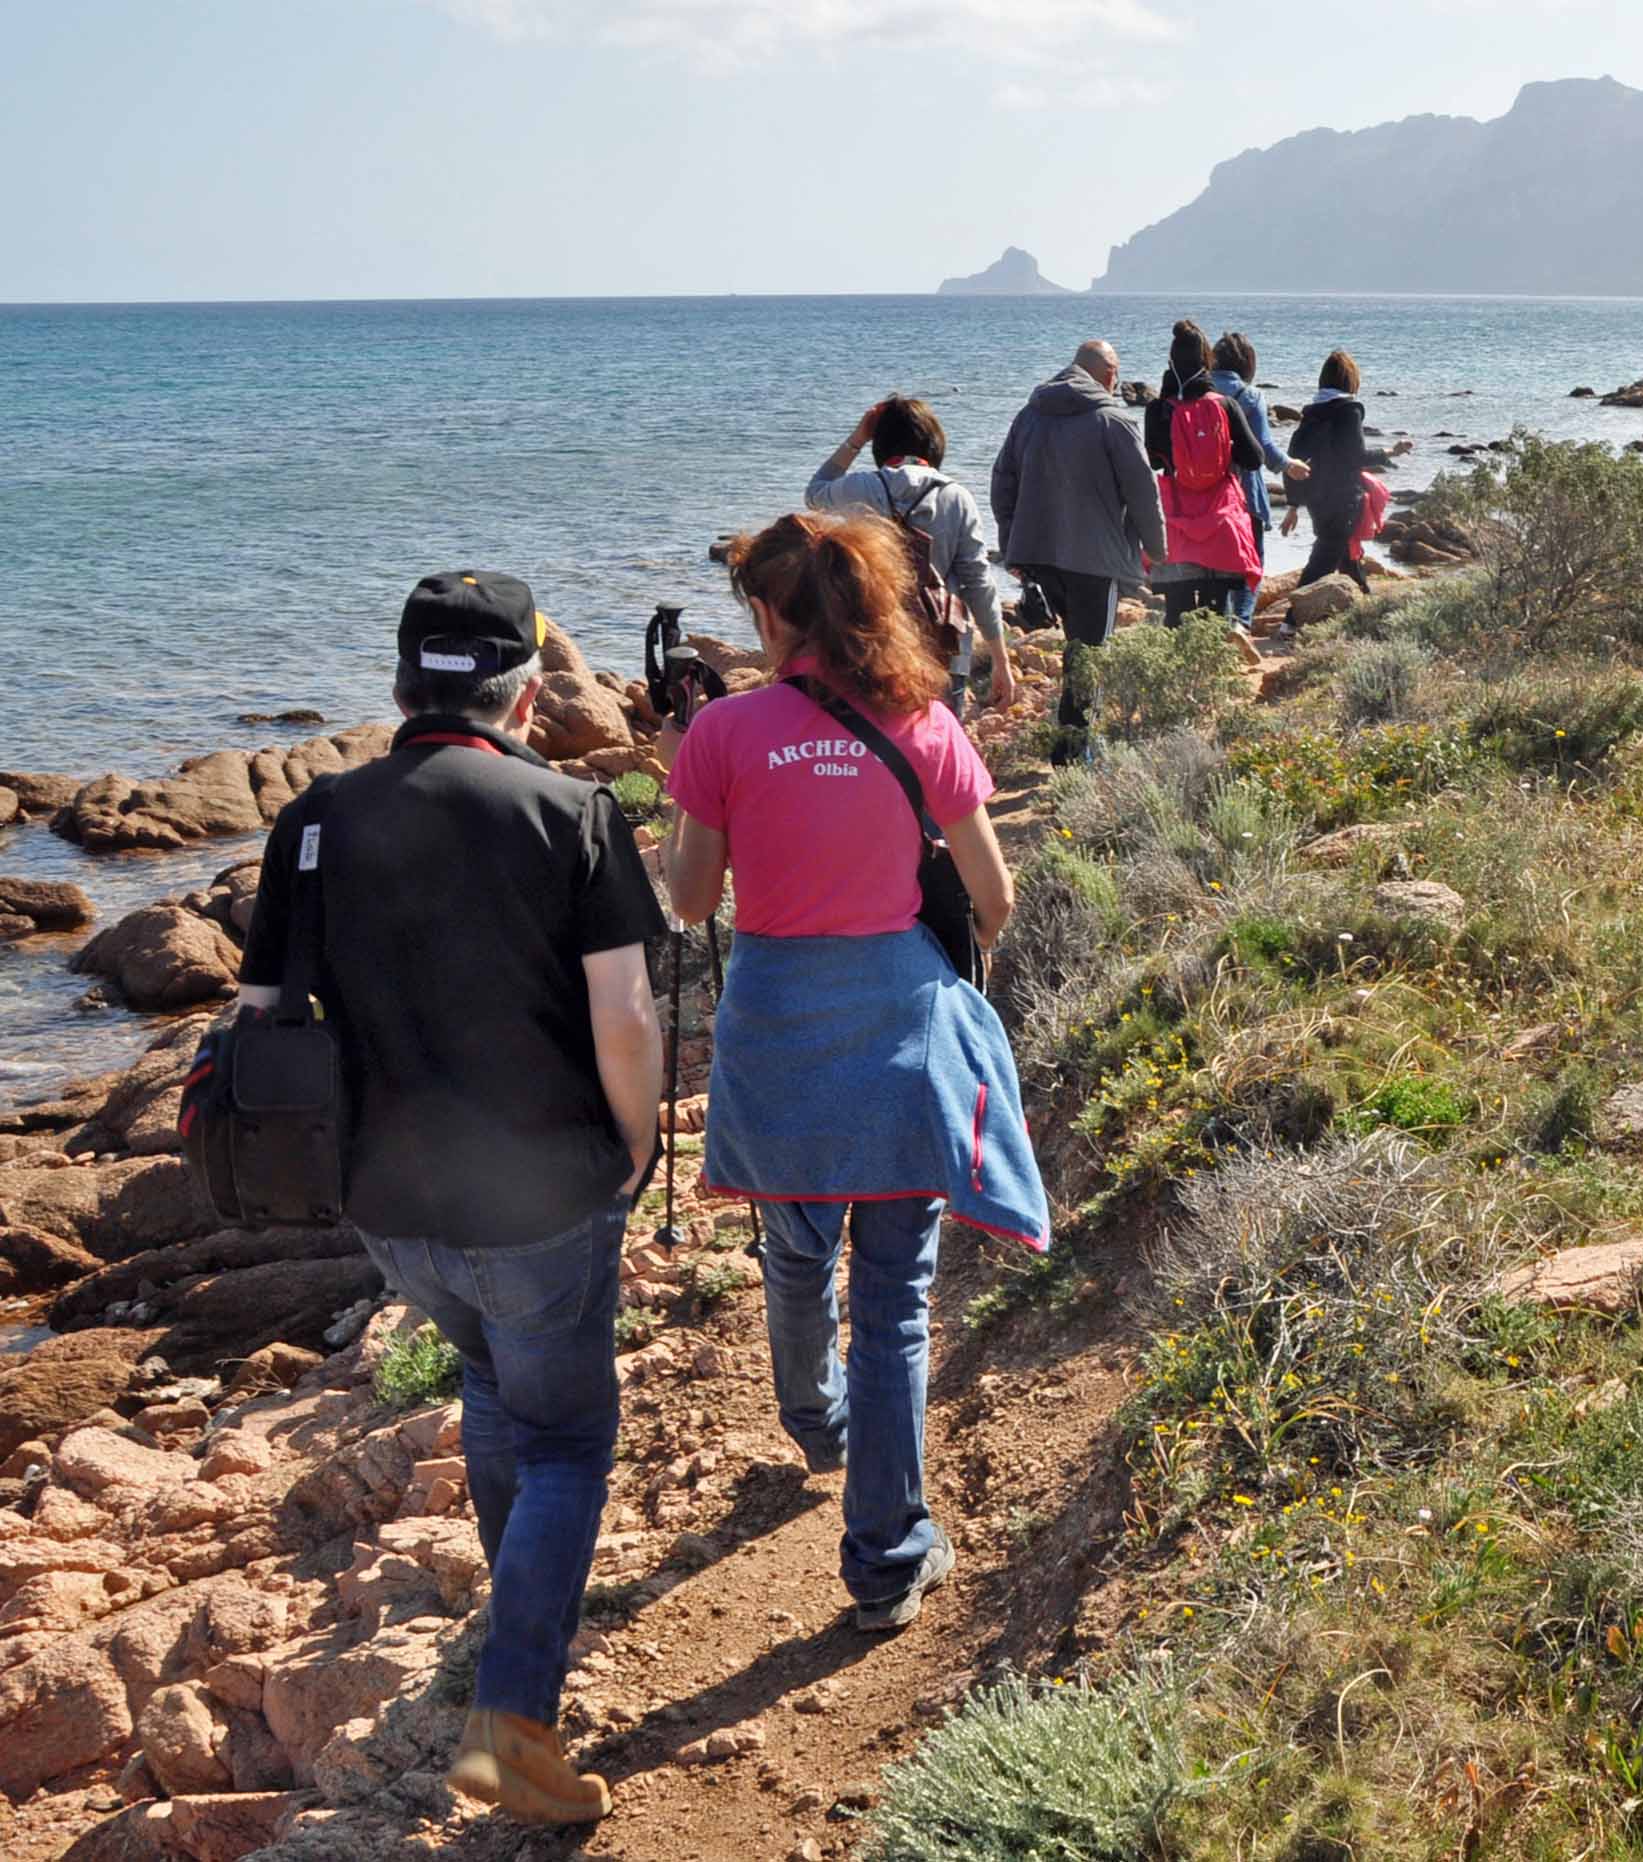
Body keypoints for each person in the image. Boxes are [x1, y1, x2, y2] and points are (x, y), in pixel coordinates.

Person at [235, 571, 666, 1826]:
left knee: (491, 1381)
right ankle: (511, 1722)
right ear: (527, 690)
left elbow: (262, 1019)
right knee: (571, 1439)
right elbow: (627, 1019)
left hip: (388, 1204)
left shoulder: (310, 821)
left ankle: (513, 1621)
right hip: (538, 1197)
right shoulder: (572, 813)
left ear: (402, 686)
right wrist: (632, 1153)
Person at [658, 512, 1050, 1637]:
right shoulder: (923, 721)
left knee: (795, 1246)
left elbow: (689, 905)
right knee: (893, 1299)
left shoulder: (725, 731)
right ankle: (886, 1558)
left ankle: (815, 1423)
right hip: (895, 1028)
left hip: (777, 1024)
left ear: (773, 614)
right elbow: (997, 895)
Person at [989, 340, 1166, 762]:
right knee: (1089, 655)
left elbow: (1002, 482)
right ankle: (1074, 752)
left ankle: (1071, 744)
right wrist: (1157, 548)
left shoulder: (1029, 416)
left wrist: (1013, 545)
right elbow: (1143, 491)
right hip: (1094, 560)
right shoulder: (1113, 421)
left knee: (1075, 650)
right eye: (1116, 373)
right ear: (1108, 375)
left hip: (1037, 557)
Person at [807, 394, 1021, 717]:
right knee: (938, 746)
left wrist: (857, 439)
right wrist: (1000, 660)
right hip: (944, 646)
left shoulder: (863, 487)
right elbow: (979, 584)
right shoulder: (957, 497)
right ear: (934, 444)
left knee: (879, 749)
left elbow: (815, 493)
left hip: (875, 643)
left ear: (881, 444)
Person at [1141, 319, 1265, 646]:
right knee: (1215, 611)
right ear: (1207, 361)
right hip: (1221, 520)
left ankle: (1175, 683)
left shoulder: (1157, 410)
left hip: (1177, 522)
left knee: (1176, 613)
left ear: (1171, 361)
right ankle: (1212, 679)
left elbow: (1152, 462)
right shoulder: (1225, 405)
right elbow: (1255, 458)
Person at [1207, 330, 1309, 631]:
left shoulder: (1198, 391)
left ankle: (1217, 630)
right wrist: (1289, 465)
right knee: (1250, 564)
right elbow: (1263, 447)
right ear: (1248, 363)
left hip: (1203, 494)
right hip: (1243, 495)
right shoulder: (1250, 396)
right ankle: (1240, 625)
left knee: (1214, 569)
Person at [1283, 349, 1374, 595]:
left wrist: (1293, 504)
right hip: (1344, 499)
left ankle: (1369, 608)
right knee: (1322, 562)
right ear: (1351, 380)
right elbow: (1356, 456)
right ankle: (1290, 623)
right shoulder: (1350, 410)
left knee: (1347, 558)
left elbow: (1293, 458)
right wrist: (1390, 452)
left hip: (1316, 500)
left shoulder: (1312, 413)